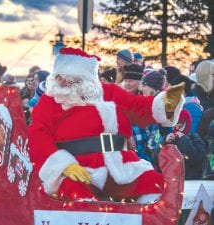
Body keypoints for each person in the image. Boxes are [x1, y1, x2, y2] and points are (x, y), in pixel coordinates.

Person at [29, 47, 185, 202]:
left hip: (120, 165)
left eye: (68, 78)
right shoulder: (50, 102)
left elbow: (139, 107)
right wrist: (63, 166)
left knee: (153, 185)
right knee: (76, 195)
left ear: (84, 79)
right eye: (58, 77)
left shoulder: (109, 93)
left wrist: (165, 105)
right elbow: (38, 136)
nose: (62, 82)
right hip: (78, 168)